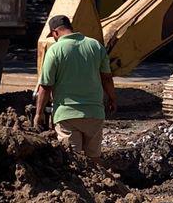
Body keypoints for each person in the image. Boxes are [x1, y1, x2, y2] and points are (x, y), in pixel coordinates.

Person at [34, 14, 116, 160]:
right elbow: (107, 78)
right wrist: (112, 99)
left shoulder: (55, 50)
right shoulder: (96, 46)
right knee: (94, 160)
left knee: (72, 160)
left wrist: (38, 114)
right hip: (94, 114)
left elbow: (46, 86)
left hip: (67, 116)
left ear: (55, 32)